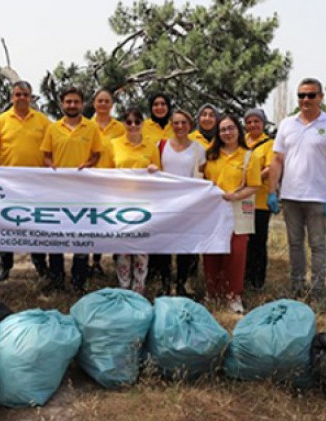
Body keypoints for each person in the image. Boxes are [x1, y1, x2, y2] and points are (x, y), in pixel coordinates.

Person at [268, 78, 326, 301]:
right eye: (301, 95)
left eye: (311, 95)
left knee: (318, 245)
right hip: (290, 196)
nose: (306, 100)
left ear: (321, 97)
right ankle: (297, 287)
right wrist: (272, 192)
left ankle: (318, 290)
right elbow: (277, 160)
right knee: (294, 244)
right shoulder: (286, 124)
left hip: (319, 197)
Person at [41, 86, 102, 293]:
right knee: (56, 233)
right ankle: (57, 278)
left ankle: (79, 279)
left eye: (76, 101)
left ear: (82, 104)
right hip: (57, 190)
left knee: (82, 233)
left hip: (84, 190)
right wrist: (50, 166)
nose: (72, 105)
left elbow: (97, 154)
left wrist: (89, 164)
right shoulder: (52, 128)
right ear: (62, 104)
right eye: (68, 102)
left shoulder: (91, 128)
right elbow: (46, 154)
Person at [0, 80, 51, 282]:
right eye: (17, 94)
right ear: (11, 97)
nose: (21, 98)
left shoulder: (43, 121)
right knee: (5, 224)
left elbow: (50, 148)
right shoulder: (0, 121)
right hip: (8, 183)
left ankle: (40, 264)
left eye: (25, 95)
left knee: (35, 223)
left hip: (37, 183)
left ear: (31, 97)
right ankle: (5, 265)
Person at [203, 115, 261, 313]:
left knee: (236, 252)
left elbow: (254, 186)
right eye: (223, 130)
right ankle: (212, 293)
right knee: (212, 252)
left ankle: (233, 295)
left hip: (237, 209)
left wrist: (235, 196)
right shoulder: (210, 155)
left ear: (238, 130)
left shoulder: (248, 156)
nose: (227, 133)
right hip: (213, 211)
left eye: (231, 128)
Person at [109, 107, 160, 295]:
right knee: (123, 249)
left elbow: (159, 174)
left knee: (141, 249)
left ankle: (139, 289)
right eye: (128, 122)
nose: (132, 125)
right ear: (123, 123)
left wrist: (154, 169)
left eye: (137, 122)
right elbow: (105, 173)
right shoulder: (113, 144)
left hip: (144, 204)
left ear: (142, 124)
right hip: (120, 203)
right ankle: (124, 289)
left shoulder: (150, 146)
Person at [155, 109, 205, 296]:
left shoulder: (199, 149)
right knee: (164, 245)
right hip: (164, 203)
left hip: (189, 204)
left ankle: (183, 283)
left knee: (186, 246)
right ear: (171, 125)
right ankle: (165, 283)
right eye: (176, 123)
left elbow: (201, 177)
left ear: (190, 125)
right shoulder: (160, 145)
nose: (180, 126)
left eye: (184, 123)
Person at [90, 88, 126, 276]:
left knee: (113, 220)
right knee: (94, 221)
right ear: (94, 104)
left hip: (114, 182)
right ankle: (94, 261)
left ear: (112, 105)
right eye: (99, 101)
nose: (103, 104)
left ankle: (116, 257)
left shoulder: (120, 127)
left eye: (106, 101)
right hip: (92, 181)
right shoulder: (87, 125)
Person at [243, 108, 274, 290]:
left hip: (260, 201)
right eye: (249, 122)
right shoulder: (241, 142)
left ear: (263, 123)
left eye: (256, 121)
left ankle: (257, 281)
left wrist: (251, 180)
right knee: (244, 241)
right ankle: (245, 277)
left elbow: (270, 168)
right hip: (243, 200)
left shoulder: (269, 144)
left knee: (258, 242)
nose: (253, 125)